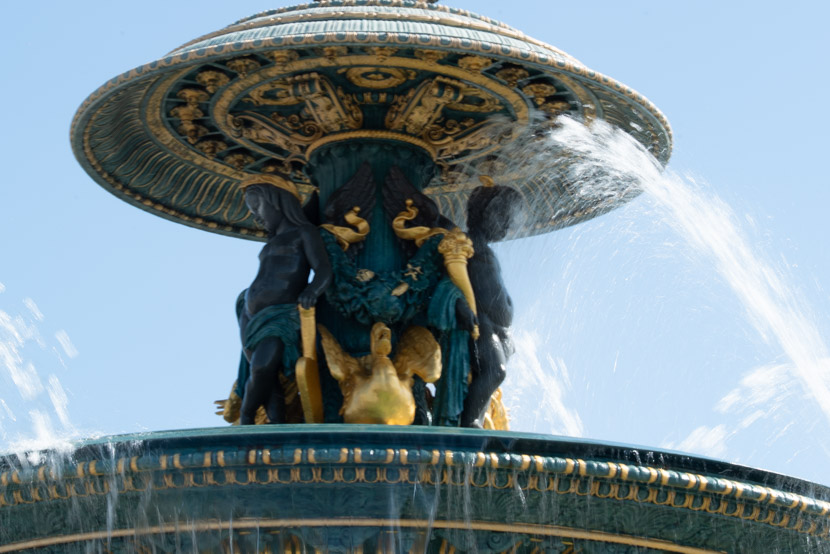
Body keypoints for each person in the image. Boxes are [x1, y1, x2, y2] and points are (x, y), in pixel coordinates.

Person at [237, 174, 332, 425]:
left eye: (257, 207)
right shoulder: (273, 240)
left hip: (283, 314)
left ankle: (246, 418)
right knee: (268, 375)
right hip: (251, 316)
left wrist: (313, 290)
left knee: (262, 367)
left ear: (278, 201)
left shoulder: (303, 232)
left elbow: (323, 269)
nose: (256, 215)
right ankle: (276, 423)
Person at [460, 180, 523, 427]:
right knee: (495, 371)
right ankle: (470, 421)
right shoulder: (475, 247)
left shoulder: (479, 246)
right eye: (503, 216)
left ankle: (475, 418)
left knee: (492, 373)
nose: (507, 225)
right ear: (488, 213)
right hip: (482, 325)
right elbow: (487, 296)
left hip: (490, 325)